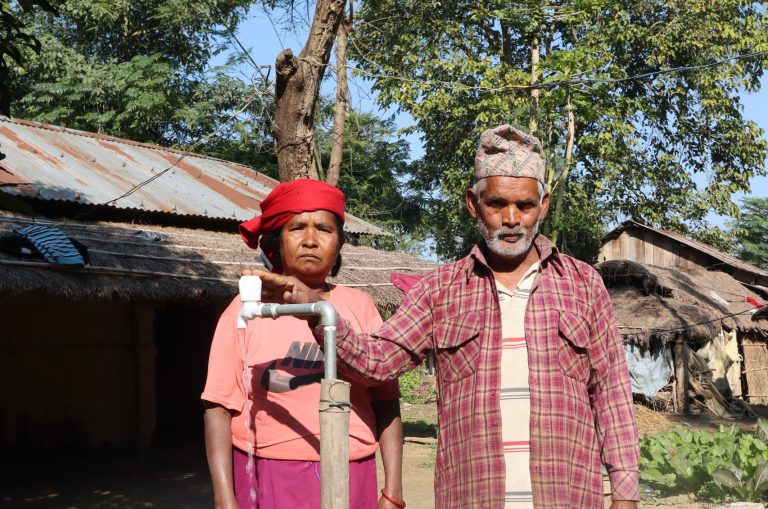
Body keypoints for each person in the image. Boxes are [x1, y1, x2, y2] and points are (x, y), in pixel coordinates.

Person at [255, 125, 640, 508]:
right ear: (473, 203)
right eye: (496, 204)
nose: (511, 218)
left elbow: (612, 394)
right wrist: (318, 313)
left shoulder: (583, 285)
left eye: (524, 205)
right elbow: (378, 362)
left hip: (567, 497)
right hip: (472, 498)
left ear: (544, 204)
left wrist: (625, 494)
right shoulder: (441, 290)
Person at [201, 179, 404, 509]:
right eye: (297, 228)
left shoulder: (361, 306)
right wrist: (224, 499)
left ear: (339, 242)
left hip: (353, 473)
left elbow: (387, 401)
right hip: (267, 474)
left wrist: (393, 490)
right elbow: (218, 407)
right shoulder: (246, 310)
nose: (310, 240)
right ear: (277, 242)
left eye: (323, 229)